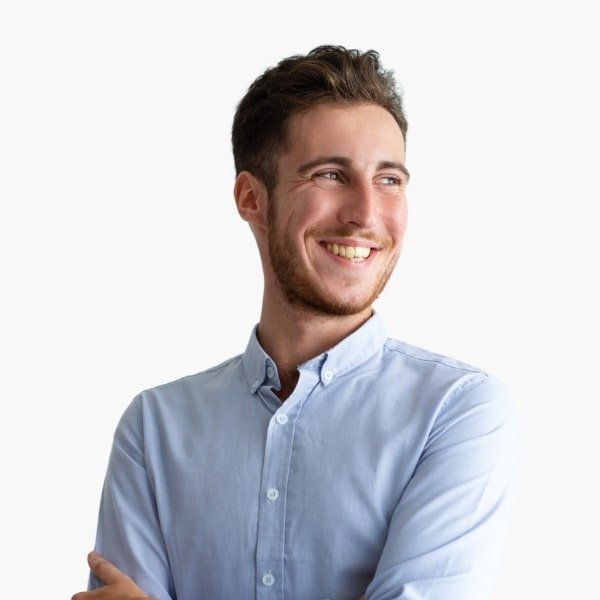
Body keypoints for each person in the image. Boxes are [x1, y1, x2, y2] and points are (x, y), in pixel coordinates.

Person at [72, 45, 517, 600]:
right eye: (331, 175)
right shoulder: (154, 429)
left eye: (389, 179)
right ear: (251, 199)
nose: (366, 213)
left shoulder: (456, 412)